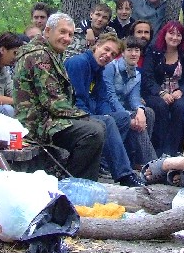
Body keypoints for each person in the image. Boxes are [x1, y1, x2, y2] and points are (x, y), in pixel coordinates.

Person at [13, 13, 105, 181]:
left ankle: (81, 181)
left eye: (70, 34)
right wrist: (83, 116)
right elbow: (53, 102)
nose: (67, 38)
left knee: (98, 125)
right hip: (36, 124)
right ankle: (74, 183)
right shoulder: (39, 55)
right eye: (62, 32)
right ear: (47, 31)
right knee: (93, 132)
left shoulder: (50, 53)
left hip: (47, 118)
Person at [65, 34, 145, 187]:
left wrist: (106, 114)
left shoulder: (98, 70)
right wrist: (100, 118)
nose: (108, 55)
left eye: (113, 54)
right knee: (107, 121)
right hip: (72, 114)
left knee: (122, 117)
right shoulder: (79, 63)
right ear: (97, 45)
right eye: (106, 50)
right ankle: (124, 174)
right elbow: (77, 100)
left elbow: (102, 100)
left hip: (88, 112)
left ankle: (103, 163)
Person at [103, 35, 157, 168]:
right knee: (133, 116)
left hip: (124, 108)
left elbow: (134, 97)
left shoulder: (137, 74)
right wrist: (128, 116)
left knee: (148, 112)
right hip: (109, 109)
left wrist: (140, 110)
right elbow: (110, 96)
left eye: (137, 50)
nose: (133, 54)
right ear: (122, 52)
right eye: (130, 50)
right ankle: (152, 163)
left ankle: (139, 160)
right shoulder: (111, 68)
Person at [142, 21, 184, 155]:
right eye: (171, 33)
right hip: (156, 93)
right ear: (164, 34)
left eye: (178, 35)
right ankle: (158, 149)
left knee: (180, 108)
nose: (174, 37)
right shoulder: (154, 52)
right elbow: (147, 77)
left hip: (179, 92)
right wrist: (161, 93)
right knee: (160, 106)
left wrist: (181, 90)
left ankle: (171, 151)